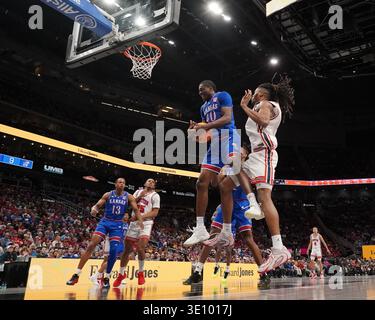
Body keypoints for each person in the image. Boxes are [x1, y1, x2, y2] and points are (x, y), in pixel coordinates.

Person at [229, 75, 295, 274]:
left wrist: (244, 106)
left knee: (265, 197)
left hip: (264, 155)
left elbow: (264, 123)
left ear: (262, 93)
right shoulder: (264, 104)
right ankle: (247, 208)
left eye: (256, 91)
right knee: (230, 175)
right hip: (256, 154)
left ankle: (278, 248)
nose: (253, 94)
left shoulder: (265, 104)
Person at [184, 80, 260, 247]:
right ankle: (200, 228)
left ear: (211, 88)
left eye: (202, 89)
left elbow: (226, 118)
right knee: (201, 182)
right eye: (198, 91)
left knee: (235, 164)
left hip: (230, 136)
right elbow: (207, 135)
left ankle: (252, 201)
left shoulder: (222, 96)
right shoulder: (203, 108)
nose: (200, 93)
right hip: (215, 144)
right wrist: (193, 134)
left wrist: (204, 125)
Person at [183, 149, 263, 284]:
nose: (238, 152)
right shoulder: (226, 167)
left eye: (241, 151)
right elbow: (215, 184)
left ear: (246, 155)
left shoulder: (248, 168)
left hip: (242, 206)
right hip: (226, 205)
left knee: (248, 238)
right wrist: (218, 173)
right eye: (237, 151)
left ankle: (263, 271)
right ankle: (198, 271)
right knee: (212, 236)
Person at [66, 178, 143, 288]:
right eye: (119, 182)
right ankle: (76, 274)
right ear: (116, 184)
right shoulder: (108, 194)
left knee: (113, 252)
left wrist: (140, 220)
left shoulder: (129, 196)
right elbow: (97, 205)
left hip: (117, 225)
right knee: (91, 245)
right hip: (105, 222)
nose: (121, 184)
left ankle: (106, 277)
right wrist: (94, 209)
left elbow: (136, 209)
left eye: (123, 183)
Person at [113, 179, 160, 287]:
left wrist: (140, 217)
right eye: (149, 181)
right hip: (134, 224)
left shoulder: (155, 196)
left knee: (140, 248)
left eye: (153, 182)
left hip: (146, 223)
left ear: (154, 185)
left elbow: (155, 212)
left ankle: (141, 272)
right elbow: (130, 203)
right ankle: (121, 274)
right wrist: (139, 197)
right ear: (145, 183)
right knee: (127, 250)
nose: (151, 182)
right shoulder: (138, 192)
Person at [89, 215, 129, 285]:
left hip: (121, 242)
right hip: (111, 241)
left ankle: (121, 275)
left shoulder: (127, 224)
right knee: (108, 260)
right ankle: (97, 276)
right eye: (124, 215)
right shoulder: (117, 222)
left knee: (126, 257)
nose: (126, 216)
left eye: (127, 215)